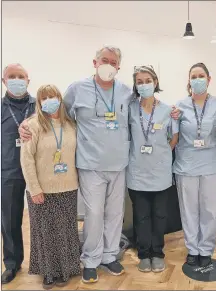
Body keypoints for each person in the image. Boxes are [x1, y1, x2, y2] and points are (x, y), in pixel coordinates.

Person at [19, 45, 180, 283]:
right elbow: (55, 113)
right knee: (94, 214)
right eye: (104, 60)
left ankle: (109, 255)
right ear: (95, 63)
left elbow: (150, 107)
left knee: (115, 214)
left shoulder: (126, 91)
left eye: (113, 62)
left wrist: (173, 111)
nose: (108, 65)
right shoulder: (77, 89)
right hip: (90, 165)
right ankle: (91, 259)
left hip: (119, 164)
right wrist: (26, 123)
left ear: (118, 67)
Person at [20, 84, 80, 289]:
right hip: (42, 190)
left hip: (68, 187)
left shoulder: (71, 125)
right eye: (43, 98)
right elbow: (26, 159)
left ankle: (67, 268)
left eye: (52, 96)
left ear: (60, 99)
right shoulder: (32, 125)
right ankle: (49, 272)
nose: (49, 101)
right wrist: (34, 188)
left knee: (66, 231)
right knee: (45, 233)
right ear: (39, 102)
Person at [173, 63, 216, 268]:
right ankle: (192, 249)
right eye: (194, 76)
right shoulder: (179, 107)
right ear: (189, 81)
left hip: (212, 165)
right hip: (186, 165)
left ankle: (206, 249)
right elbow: (174, 137)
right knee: (189, 210)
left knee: (210, 210)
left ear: (209, 79)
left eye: (201, 76)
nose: (197, 80)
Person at [127, 65, 178, 273]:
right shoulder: (130, 108)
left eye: (147, 80)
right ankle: (144, 254)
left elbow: (174, 137)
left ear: (155, 82)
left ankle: (157, 253)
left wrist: (162, 153)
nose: (144, 84)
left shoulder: (167, 110)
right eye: (139, 82)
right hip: (137, 173)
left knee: (159, 216)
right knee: (141, 216)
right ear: (135, 85)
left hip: (161, 173)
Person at [1, 64, 36, 284]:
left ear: (28, 80)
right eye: (11, 77)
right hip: (9, 170)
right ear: (3, 81)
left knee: (43, 219)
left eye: (21, 76)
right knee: (11, 219)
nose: (17, 80)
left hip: (37, 170)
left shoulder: (38, 106)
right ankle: (12, 264)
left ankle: (46, 261)